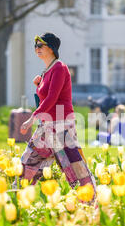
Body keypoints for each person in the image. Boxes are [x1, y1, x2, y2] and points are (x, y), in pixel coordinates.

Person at [19, 32, 96, 205]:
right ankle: (18, 197)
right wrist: (39, 86)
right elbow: (45, 98)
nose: (37, 49)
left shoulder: (60, 68)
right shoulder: (46, 72)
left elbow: (53, 98)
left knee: (73, 167)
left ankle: (90, 203)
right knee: (29, 160)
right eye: (35, 46)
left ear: (52, 48)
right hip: (47, 126)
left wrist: (32, 118)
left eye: (41, 45)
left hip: (61, 126)